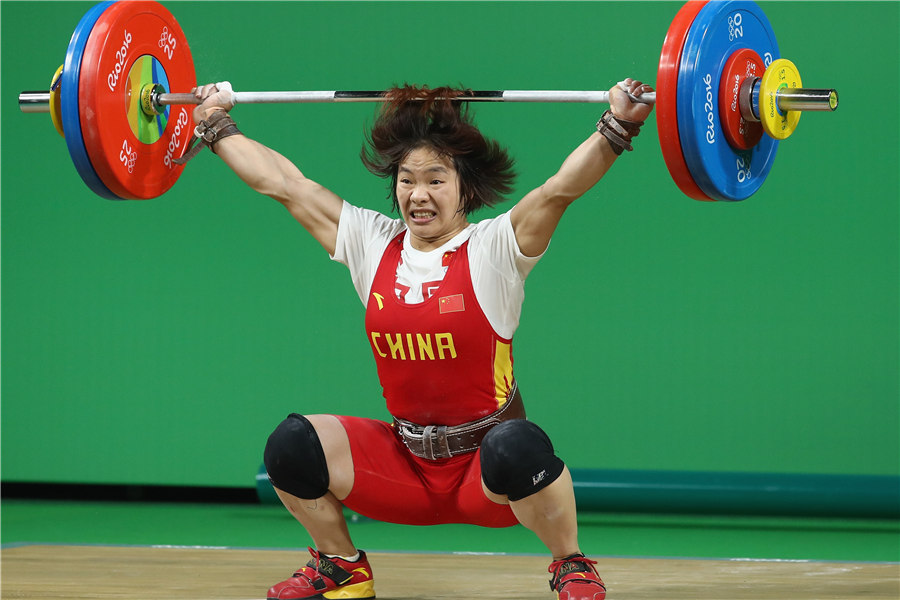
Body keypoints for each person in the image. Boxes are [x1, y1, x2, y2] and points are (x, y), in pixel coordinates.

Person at [182, 77, 653, 600]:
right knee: (292, 445)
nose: (418, 194)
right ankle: (342, 566)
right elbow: (285, 184)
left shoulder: (494, 248)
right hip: (405, 467)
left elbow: (560, 188)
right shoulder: (372, 243)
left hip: (487, 477)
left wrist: (620, 123)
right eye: (407, 180)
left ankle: (570, 563)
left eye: (435, 179)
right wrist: (215, 124)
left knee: (519, 444)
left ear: (465, 189)